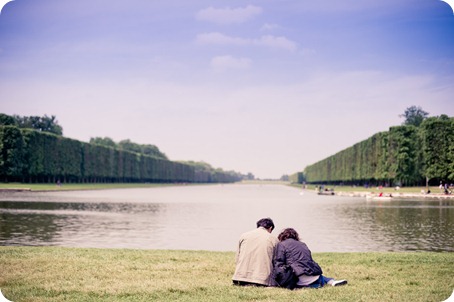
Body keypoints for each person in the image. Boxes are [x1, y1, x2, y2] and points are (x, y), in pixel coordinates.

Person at [272, 228, 347, 289]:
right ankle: (331, 282)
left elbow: (279, 263)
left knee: (295, 276)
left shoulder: (281, 245)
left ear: (282, 237)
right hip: (315, 275)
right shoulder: (302, 244)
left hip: (300, 278)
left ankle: (313, 285)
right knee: (321, 278)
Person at [232, 217, 279, 287]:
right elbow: (276, 261)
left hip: (239, 277)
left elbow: (237, 258)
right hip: (261, 280)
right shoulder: (273, 239)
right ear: (270, 228)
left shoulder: (244, 235)